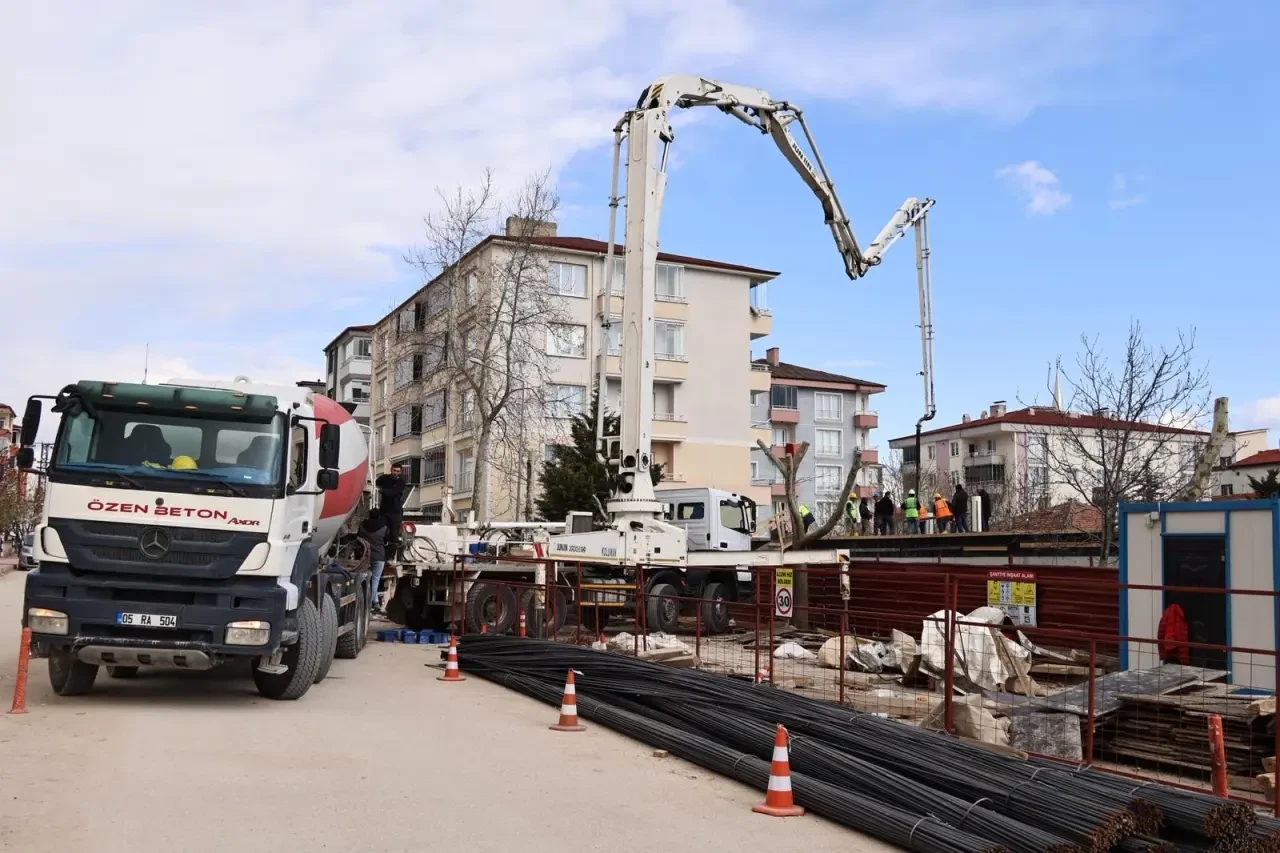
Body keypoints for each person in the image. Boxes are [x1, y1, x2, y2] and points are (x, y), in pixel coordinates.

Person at [360, 511, 389, 613]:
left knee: (366, 578)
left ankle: (372, 600)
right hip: (379, 556)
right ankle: (374, 602)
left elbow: (359, 537)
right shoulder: (384, 528)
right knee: (375, 579)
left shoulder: (363, 526)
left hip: (365, 555)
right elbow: (386, 541)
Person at [375, 462, 408, 548]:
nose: (395, 473)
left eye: (398, 471)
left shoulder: (401, 482)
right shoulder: (384, 478)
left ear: (400, 472)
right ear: (391, 469)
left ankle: (392, 555)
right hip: (384, 510)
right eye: (394, 470)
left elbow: (393, 492)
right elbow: (376, 483)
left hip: (395, 512)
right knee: (383, 533)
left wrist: (382, 491)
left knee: (394, 536)